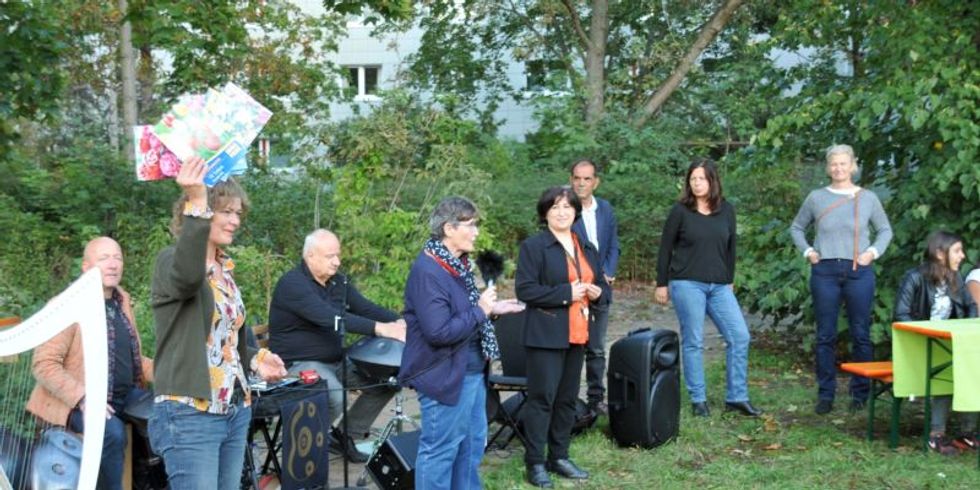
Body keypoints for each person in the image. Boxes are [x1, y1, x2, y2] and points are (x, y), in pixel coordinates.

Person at [147, 156, 287, 489]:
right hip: (190, 413)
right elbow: (186, 280)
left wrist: (255, 357)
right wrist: (197, 199)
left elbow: (229, 339)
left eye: (238, 213)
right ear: (201, 212)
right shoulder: (171, 261)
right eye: (226, 211)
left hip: (234, 409)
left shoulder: (225, 272)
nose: (235, 221)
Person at [400, 196, 523, 490]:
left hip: (470, 370)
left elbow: (463, 315)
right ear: (448, 228)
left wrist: (491, 310)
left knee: (470, 448)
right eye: (470, 225)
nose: (476, 232)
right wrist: (480, 310)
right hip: (445, 375)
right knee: (440, 452)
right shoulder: (429, 272)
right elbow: (439, 332)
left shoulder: (456, 264)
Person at [268, 229, 407, 462]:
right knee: (335, 396)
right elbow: (330, 318)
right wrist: (381, 328)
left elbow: (366, 308)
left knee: (387, 382)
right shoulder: (293, 284)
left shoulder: (338, 281)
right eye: (330, 256)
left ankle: (343, 437)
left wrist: (400, 321)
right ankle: (306, 453)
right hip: (298, 365)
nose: (337, 261)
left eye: (338, 255)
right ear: (310, 256)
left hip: (336, 361)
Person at [26, 237, 154, 490]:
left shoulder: (121, 302)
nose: (113, 264)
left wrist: (176, 373)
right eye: (103, 258)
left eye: (117, 257)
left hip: (123, 395)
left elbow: (135, 359)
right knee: (112, 433)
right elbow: (44, 364)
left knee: (170, 413)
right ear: (86, 267)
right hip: (75, 402)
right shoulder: (66, 305)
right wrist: (85, 398)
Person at [516, 186, 609, 488]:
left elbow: (603, 291)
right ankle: (535, 463)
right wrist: (566, 293)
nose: (561, 212)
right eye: (554, 207)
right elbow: (525, 290)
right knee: (542, 399)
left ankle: (560, 456)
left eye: (567, 207)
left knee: (567, 400)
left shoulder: (586, 246)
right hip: (545, 334)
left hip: (578, 333)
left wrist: (596, 294)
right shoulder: (534, 246)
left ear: (575, 212)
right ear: (545, 213)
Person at [790, 144, 893, 415]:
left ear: (853, 166)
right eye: (833, 164)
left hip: (859, 271)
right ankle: (826, 394)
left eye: (843, 164)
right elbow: (797, 227)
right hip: (824, 271)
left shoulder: (868, 198)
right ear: (827, 167)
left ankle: (860, 393)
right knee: (825, 334)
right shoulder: (816, 197)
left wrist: (872, 252)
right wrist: (808, 251)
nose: (838, 169)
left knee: (861, 333)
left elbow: (884, 230)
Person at [655, 159, 761, 418]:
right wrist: (661, 283)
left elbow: (731, 247)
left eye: (702, 178)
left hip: (720, 285)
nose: (697, 183)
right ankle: (698, 399)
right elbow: (666, 248)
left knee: (740, 336)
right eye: (693, 179)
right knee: (694, 340)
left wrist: (729, 278)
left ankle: (736, 397)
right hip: (686, 282)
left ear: (712, 181)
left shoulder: (727, 210)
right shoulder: (680, 211)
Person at [894, 230, 978, 455]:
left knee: (971, 368)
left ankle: (967, 434)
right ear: (940, 254)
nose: (963, 256)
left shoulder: (956, 278)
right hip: (919, 344)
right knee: (946, 373)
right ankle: (936, 436)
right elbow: (900, 315)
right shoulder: (915, 277)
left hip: (947, 344)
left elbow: (970, 307)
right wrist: (928, 333)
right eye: (957, 251)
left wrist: (967, 328)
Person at [569, 158, 620, 415]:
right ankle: (567, 400)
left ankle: (595, 399)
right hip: (575, 287)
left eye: (587, 178)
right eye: (577, 178)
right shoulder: (564, 209)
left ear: (595, 182)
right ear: (571, 180)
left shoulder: (605, 209)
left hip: (601, 287)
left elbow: (613, 244)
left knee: (597, 348)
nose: (581, 183)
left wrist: (608, 272)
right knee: (574, 346)